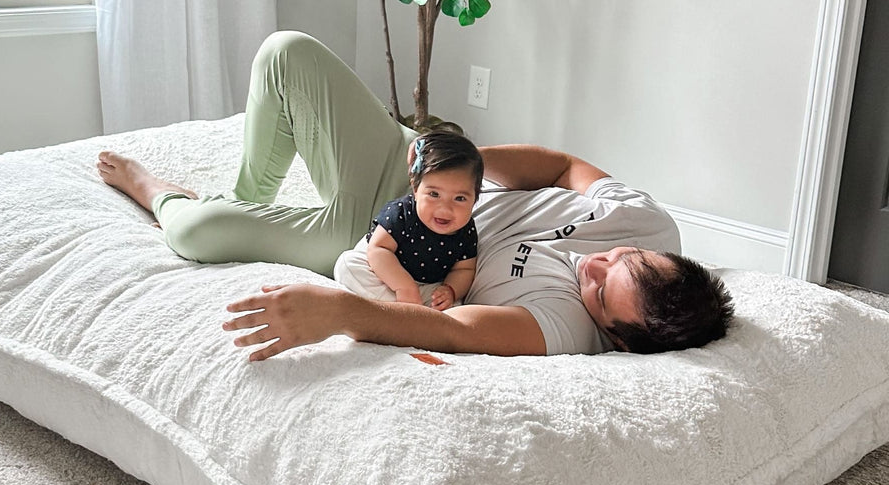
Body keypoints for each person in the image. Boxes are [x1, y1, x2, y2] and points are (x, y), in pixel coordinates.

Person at [97, 31, 734, 362]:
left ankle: (160, 193)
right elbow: (564, 166)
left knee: (197, 234)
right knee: (285, 52)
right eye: (620, 260)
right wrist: (462, 165)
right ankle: (244, 195)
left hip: (384, 243)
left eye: (599, 290)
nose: (593, 265)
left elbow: (449, 329)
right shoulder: (648, 223)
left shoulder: (558, 328)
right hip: (421, 178)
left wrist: (339, 313)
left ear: (617, 339)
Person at [333, 130, 482, 311]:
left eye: (459, 198)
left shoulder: (466, 230)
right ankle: (404, 311)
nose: (445, 209)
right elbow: (378, 250)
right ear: (416, 189)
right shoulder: (401, 213)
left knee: (454, 308)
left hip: (426, 286)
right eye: (434, 194)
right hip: (383, 271)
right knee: (347, 265)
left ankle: (407, 311)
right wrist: (403, 286)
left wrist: (450, 290)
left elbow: (464, 270)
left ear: (475, 198)